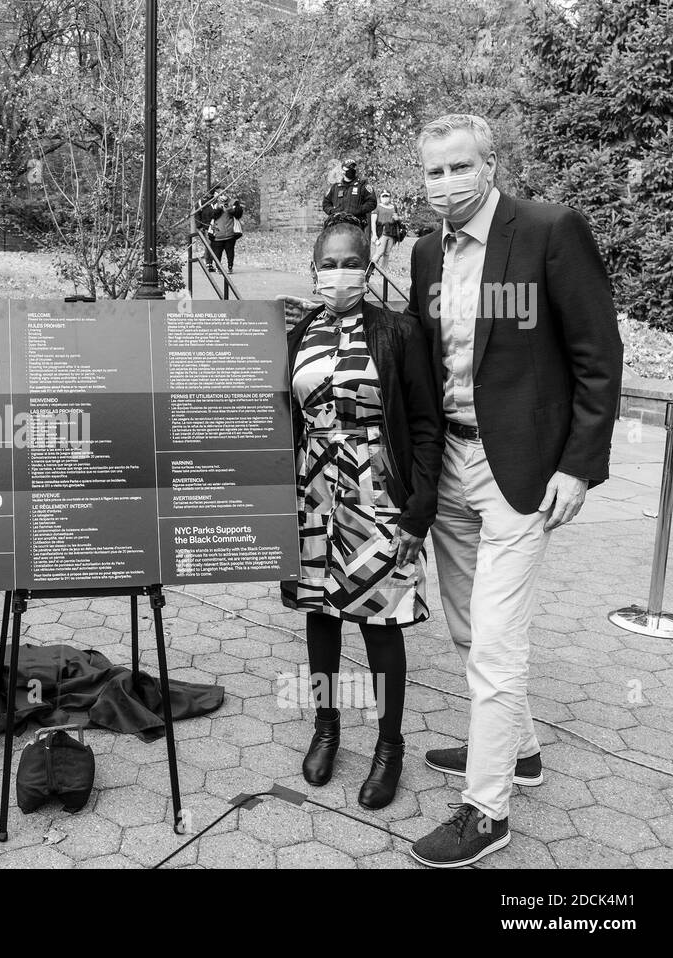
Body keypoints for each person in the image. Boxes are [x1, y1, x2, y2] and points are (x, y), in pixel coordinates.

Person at [404, 114, 622, 867]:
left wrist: (577, 465)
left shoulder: (550, 230)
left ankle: (486, 810)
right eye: (434, 172)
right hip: (452, 467)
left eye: (461, 167)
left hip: (521, 474)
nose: (447, 184)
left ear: (490, 165)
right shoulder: (425, 254)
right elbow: (423, 359)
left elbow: (600, 354)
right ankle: (520, 752)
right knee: (468, 634)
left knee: (496, 646)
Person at [280, 213, 444, 810]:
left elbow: (426, 427)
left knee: (381, 624)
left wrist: (416, 515)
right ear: (315, 268)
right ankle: (327, 728)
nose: (340, 273)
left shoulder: (398, 332)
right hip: (313, 489)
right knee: (320, 616)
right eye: (330, 263)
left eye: (352, 263)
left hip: (379, 492)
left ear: (368, 267)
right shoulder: (300, 335)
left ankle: (388, 746)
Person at [208, 192, 244, 272]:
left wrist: (230, 209)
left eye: (224, 194)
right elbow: (210, 216)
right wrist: (219, 209)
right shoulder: (214, 204)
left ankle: (230, 267)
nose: (223, 196)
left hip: (230, 233)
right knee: (217, 253)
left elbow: (239, 214)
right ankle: (218, 267)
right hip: (217, 234)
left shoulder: (234, 202)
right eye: (221, 194)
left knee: (230, 252)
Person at [373, 190, 399, 269]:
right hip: (382, 232)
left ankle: (384, 273)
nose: (385, 197)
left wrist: (397, 218)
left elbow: (397, 218)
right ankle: (369, 271)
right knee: (379, 252)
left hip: (392, 232)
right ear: (380, 197)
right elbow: (373, 222)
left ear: (390, 197)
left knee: (387, 254)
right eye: (383, 196)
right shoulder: (377, 207)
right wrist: (374, 234)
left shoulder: (394, 207)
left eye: (387, 196)